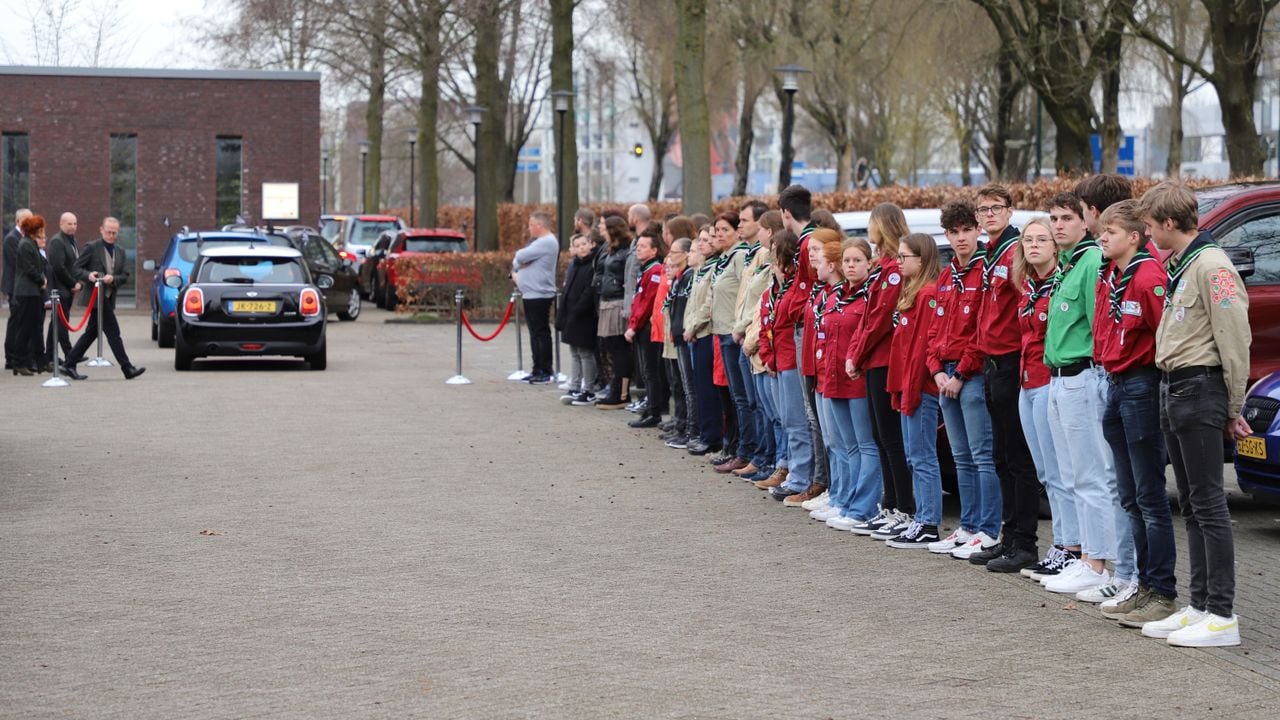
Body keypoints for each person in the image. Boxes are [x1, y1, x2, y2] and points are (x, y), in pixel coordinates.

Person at [1139, 181, 1250, 648]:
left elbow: (1234, 337)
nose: (1146, 233)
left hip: (1200, 388)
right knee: (1190, 503)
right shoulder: (1183, 264)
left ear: (1168, 223)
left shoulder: (1212, 266)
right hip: (1175, 387)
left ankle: (1222, 613)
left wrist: (1233, 404)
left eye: (1149, 225)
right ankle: (1200, 603)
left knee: (1208, 504)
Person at [1092, 200, 1179, 629]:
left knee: (1149, 496)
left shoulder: (1147, 276)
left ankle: (1162, 590)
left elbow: (1168, 335)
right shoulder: (1110, 274)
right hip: (1115, 384)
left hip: (1141, 385)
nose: (1102, 237)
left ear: (1134, 236)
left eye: (1110, 231)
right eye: (1101, 230)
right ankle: (1143, 584)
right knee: (1128, 495)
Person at [1040, 192, 1128, 592]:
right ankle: (1087, 556)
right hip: (1058, 377)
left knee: (1094, 475)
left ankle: (1099, 563)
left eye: (1065, 218)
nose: (1058, 225)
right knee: (1074, 474)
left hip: (1081, 375)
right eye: (1053, 218)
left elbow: (1099, 325)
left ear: (1082, 221)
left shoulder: (1091, 261)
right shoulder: (1069, 264)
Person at [924, 200, 1001, 558]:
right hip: (945, 376)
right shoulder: (946, 274)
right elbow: (934, 330)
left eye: (966, 230)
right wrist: (937, 369)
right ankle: (968, 526)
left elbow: (983, 331)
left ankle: (989, 528)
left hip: (970, 375)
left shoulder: (986, 271)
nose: (960, 238)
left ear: (978, 230)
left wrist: (961, 372)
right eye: (953, 232)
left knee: (983, 456)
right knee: (961, 458)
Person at [970, 183, 1036, 569]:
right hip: (991, 363)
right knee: (1000, 457)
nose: (990, 214)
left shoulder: (1015, 251)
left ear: (1010, 211)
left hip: (1011, 361)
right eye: (983, 209)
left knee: (1017, 457)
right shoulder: (990, 253)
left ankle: (1024, 543)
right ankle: (1007, 535)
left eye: (997, 208)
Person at [1009, 218, 1078, 582]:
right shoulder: (1028, 287)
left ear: (1055, 246)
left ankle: (1070, 547)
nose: (1033, 245)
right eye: (1028, 240)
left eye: (1042, 239)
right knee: (1046, 474)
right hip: (1026, 383)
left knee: (1061, 472)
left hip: (1049, 382)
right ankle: (1061, 545)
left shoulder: (1060, 285)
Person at [846, 203, 914, 538]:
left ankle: (903, 506)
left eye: (872, 223)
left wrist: (856, 354)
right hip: (874, 359)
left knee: (890, 438)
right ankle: (890, 504)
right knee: (880, 435)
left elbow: (879, 319)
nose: (868, 229)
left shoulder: (892, 271)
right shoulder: (882, 267)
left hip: (885, 360)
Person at [810, 235, 883, 527]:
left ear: (869, 263)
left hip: (858, 381)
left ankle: (864, 506)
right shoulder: (836, 295)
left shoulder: (869, 296)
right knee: (845, 445)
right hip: (833, 379)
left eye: (857, 261)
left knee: (865, 444)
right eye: (847, 261)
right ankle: (845, 499)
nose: (851, 266)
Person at [884, 233, 944, 548]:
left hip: (922, 388)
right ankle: (922, 518)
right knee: (913, 455)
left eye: (904, 256)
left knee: (922, 456)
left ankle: (928, 522)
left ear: (921, 259)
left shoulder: (927, 295)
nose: (898, 262)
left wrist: (911, 389)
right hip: (910, 387)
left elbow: (922, 348)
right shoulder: (912, 293)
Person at [775, 185, 829, 499]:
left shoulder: (809, 243)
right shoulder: (805, 242)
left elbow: (809, 293)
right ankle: (812, 479)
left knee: (810, 414)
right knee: (807, 414)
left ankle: (814, 480)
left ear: (785, 213)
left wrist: (789, 309)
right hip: (799, 328)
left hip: (806, 331)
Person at [60, 217, 145, 380]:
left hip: (108, 296)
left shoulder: (120, 250)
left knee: (92, 332)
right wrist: (89, 275)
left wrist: (113, 279)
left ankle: (69, 364)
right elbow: (76, 268)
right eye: (108, 232)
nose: (111, 235)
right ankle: (127, 368)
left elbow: (125, 275)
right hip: (95, 297)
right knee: (114, 332)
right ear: (101, 230)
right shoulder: (92, 247)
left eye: (114, 233)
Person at [708, 212, 758, 475]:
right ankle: (741, 449)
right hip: (724, 331)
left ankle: (746, 451)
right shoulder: (725, 258)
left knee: (743, 398)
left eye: (724, 229)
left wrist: (740, 327)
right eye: (717, 230)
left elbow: (744, 293)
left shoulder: (739, 257)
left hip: (734, 332)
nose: (719, 234)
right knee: (737, 397)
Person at [756, 228, 805, 494]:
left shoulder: (793, 285)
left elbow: (786, 320)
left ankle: (799, 477)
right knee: (786, 420)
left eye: (774, 251)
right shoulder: (775, 288)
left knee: (796, 423)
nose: (770, 257)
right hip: (777, 361)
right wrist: (768, 356)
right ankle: (792, 470)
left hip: (790, 361)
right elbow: (768, 322)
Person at [682, 226, 723, 455]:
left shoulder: (714, 268)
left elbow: (708, 304)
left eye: (706, 240)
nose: (700, 244)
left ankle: (712, 436)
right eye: (700, 240)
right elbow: (692, 303)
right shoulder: (702, 269)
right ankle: (705, 432)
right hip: (695, 333)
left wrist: (694, 325)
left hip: (705, 333)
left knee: (708, 389)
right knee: (700, 387)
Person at [624, 228, 668, 428]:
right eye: (638, 246)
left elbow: (648, 302)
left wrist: (634, 326)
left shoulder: (655, 271)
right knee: (646, 370)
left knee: (651, 371)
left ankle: (654, 412)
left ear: (654, 250)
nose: (638, 250)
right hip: (641, 328)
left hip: (647, 328)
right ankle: (650, 408)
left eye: (643, 247)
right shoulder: (647, 269)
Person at [512, 211, 559, 383]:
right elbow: (517, 262)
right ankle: (536, 367)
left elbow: (520, 256)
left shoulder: (546, 242)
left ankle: (545, 370)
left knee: (541, 333)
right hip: (531, 293)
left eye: (531, 225)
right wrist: (520, 263)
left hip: (539, 294)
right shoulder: (540, 243)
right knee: (534, 333)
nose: (529, 228)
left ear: (539, 225)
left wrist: (521, 261)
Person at [595, 216, 635, 409]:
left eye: (604, 228)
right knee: (611, 347)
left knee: (620, 349)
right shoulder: (612, 250)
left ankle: (621, 391)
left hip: (617, 302)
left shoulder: (626, 251)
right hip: (608, 300)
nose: (601, 231)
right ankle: (615, 386)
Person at [662, 230, 695, 447]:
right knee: (678, 383)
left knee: (687, 386)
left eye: (674, 252)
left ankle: (689, 428)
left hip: (685, 334)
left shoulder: (688, 275)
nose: (670, 256)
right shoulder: (679, 277)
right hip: (675, 333)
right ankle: (681, 423)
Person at [557, 233, 599, 405]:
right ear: (573, 249)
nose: (582, 247)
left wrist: (578, 310)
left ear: (590, 245)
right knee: (574, 352)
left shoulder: (592, 266)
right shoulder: (574, 265)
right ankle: (574, 385)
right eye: (578, 245)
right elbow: (567, 290)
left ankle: (588, 389)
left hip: (584, 316)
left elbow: (589, 291)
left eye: (584, 244)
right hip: (571, 314)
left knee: (585, 353)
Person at [10, 214, 49, 376]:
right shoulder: (25, 245)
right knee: (25, 328)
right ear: (34, 230)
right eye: (40, 229)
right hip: (27, 292)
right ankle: (18, 362)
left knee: (34, 327)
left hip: (32, 292)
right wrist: (42, 280)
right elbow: (30, 268)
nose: (43, 232)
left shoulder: (30, 243)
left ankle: (37, 361)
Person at [45, 212, 82, 362]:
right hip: (61, 289)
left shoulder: (72, 240)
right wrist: (73, 283)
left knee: (57, 323)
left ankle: (49, 356)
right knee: (61, 323)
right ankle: (70, 354)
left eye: (75, 224)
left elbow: (74, 263)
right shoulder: (57, 241)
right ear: (61, 224)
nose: (73, 227)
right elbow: (58, 267)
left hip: (68, 289)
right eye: (69, 224)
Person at [3, 208, 33, 370]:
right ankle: (11, 358)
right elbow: (18, 264)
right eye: (26, 220)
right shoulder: (11, 239)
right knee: (15, 321)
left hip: (25, 287)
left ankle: (23, 356)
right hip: (15, 287)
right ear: (18, 222)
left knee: (23, 321)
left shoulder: (28, 238)